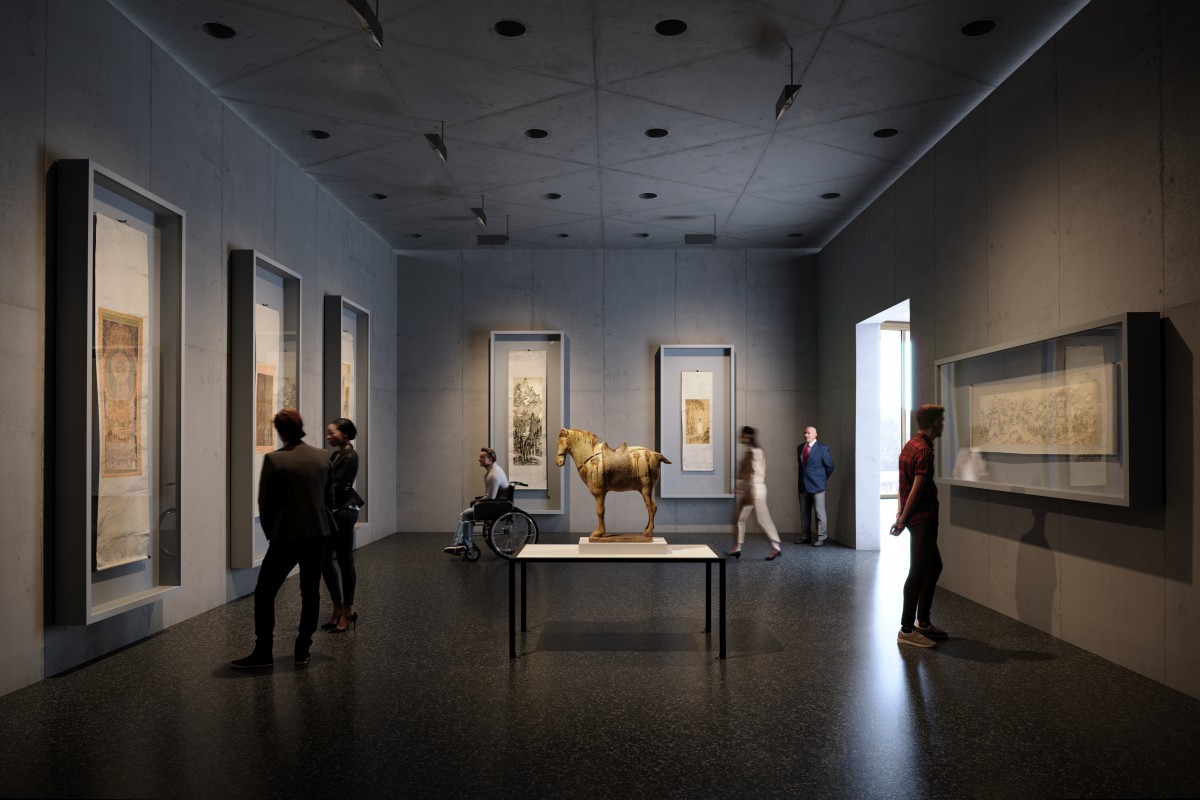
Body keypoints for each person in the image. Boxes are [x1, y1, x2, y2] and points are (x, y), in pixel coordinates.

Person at [232, 408, 336, 668]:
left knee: (265, 593)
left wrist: (272, 535)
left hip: (286, 537)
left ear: (279, 431)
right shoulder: (322, 456)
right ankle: (302, 649)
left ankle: (264, 651)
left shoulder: (275, 460)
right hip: (318, 535)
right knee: (310, 592)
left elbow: (265, 504)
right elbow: (329, 499)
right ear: (301, 426)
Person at [890, 404, 949, 648]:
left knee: (934, 566)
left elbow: (901, 483)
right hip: (923, 519)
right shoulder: (924, 450)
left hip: (914, 518)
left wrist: (899, 512)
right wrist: (902, 519)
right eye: (941, 421)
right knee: (917, 572)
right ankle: (906, 628)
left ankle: (923, 622)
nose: (943, 425)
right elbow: (916, 489)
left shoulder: (910, 445)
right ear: (934, 422)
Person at [320, 418, 362, 634]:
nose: (328, 436)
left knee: (345, 560)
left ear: (344, 434)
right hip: (334, 512)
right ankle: (337, 606)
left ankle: (348, 609)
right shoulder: (337, 454)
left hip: (344, 512)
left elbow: (333, 485)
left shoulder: (350, 456)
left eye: (332, 432)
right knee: (325, 560)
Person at [728, 426, 782, 561]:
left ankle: (774, 545)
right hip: (756, 489)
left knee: (759, 520)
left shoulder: (753, 452)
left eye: (742, 435)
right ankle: (737, 546)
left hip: (753, 489)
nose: (740, 437)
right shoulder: (757, 451)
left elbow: (752, 473)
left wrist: (740, 487)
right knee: (740, 519)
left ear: (747, 436)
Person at [444, 447, 509, 555]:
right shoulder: (494, 470)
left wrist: (477, 503)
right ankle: (461, 544)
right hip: (498, 504)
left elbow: (490, 498)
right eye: (480, 457)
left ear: (490, 459)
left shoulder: (493, 475)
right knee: (466, 514)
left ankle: (463, 544)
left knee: (465, 514)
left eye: (482, 457)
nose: (479, 459)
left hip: (495, 506)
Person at [795, 425, 835, 546]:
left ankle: (821, 538)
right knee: (804, 512)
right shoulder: (800, 448)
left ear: (815, 434)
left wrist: (822, 479)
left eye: (808, 433)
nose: (805, 435)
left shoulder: (823, 449)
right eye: (805, 433)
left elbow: (830, 466)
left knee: (820, 513)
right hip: (803, 485)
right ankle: (805, 536)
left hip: (818, 485)